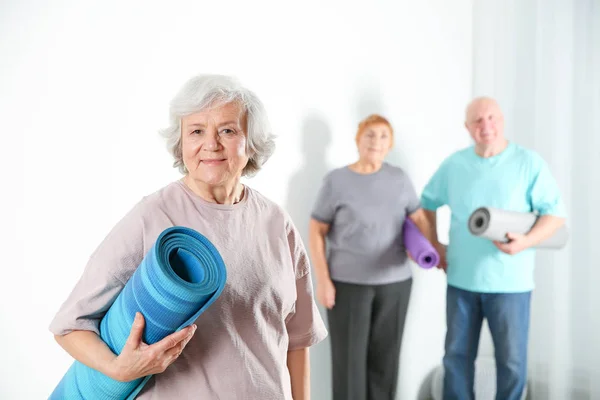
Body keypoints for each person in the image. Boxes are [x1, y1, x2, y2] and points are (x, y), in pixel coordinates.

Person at [49, 74, 328, 399]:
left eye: (227, 130)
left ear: (251, 143)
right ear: (181, 143)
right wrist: (117, 369)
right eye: (197, 131)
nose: (211, 144)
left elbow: (298, 339)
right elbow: (70, 325)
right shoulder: (151, 217)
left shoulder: (276, 222)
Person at [420, 97, 566, 400]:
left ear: (502, 120)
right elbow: (428, 203)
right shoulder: (455, 165)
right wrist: (435, 244)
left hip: (511, 285)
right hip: (461, 281)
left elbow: (555, 215)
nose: (485, 126)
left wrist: (525, 242)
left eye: (491, 118)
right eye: (477, 120)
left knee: (511, 363)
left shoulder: (528, 163)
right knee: (456, 358)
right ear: (467, 127)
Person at [308, 114, 431, 400]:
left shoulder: (399, 178)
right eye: (370, 135)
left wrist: (427, 248)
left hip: (396, 283)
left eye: (383, 136)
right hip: (348, 285)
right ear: (357, 139)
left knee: (385, 365)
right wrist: (323, 280)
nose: (376, 142)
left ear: (391, 144)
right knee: (349, 366)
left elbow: (419, 218)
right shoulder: (336, 181)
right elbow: (317, 230)